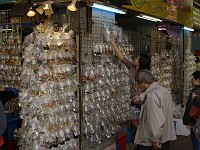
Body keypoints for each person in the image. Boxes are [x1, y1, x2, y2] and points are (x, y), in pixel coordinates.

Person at [134, 69, 176, 150]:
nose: (139, 87)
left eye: (138, 84)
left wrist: (155, 140)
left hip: (155, 140)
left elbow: (155, 120)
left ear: (143, 82)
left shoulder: (152, 95)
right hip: (165, 135)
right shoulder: (163, 90)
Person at [111, 38, 151, 108]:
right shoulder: (132, 67)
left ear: (140, 62)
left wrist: (141, 97)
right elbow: (121, 58)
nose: (135, 59)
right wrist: (113, 44)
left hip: (143, 103)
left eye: (137, 59)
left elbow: (150, 89)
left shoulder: (146, 74)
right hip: (133, 101)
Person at [183, 71, 200, 149]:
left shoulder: (194, 92)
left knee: (196, 141)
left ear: (198, 80)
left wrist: (186, 121)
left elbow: (189, 108)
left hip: (196, 120)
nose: (192, 80)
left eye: (193, 78)